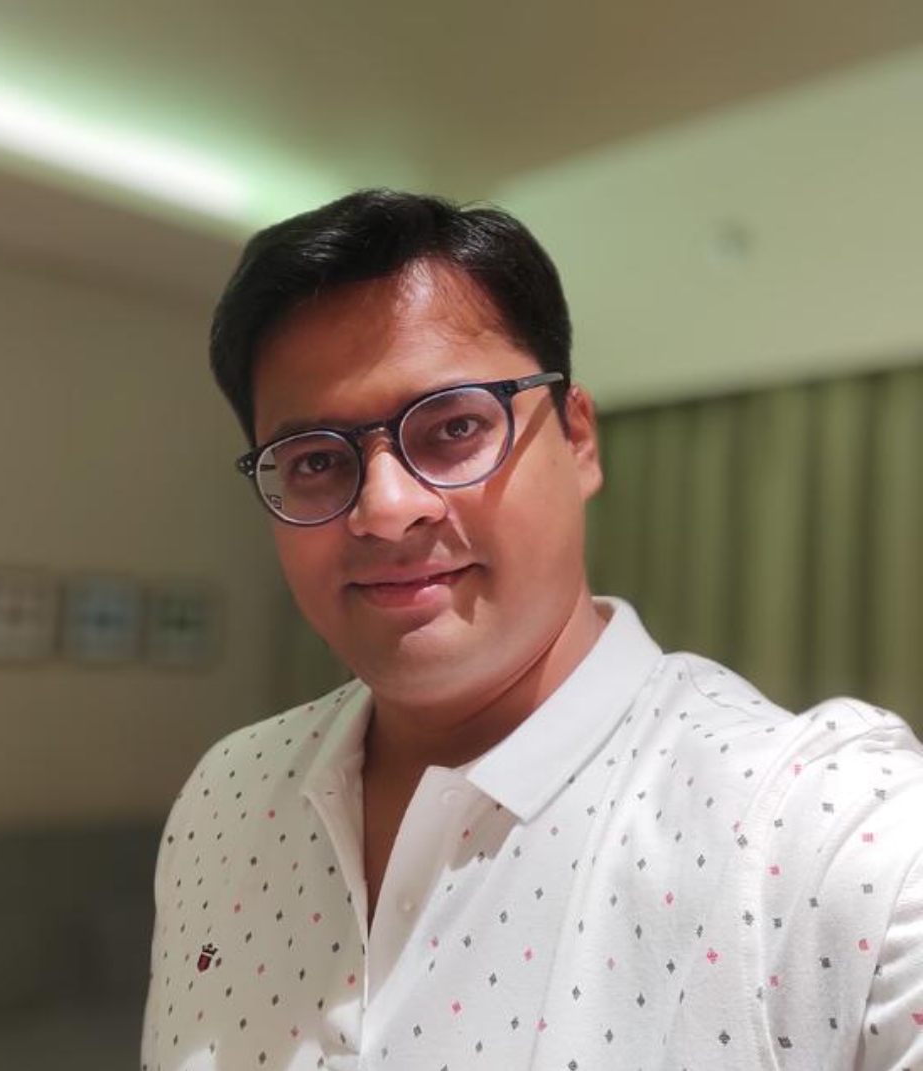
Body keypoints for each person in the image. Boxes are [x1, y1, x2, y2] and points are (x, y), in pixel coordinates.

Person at [142, 190, 923, 1071]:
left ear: (578, 439)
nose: (386, 508)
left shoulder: (827, 836)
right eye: (316, 460)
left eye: (454, 427)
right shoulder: (226, 798)